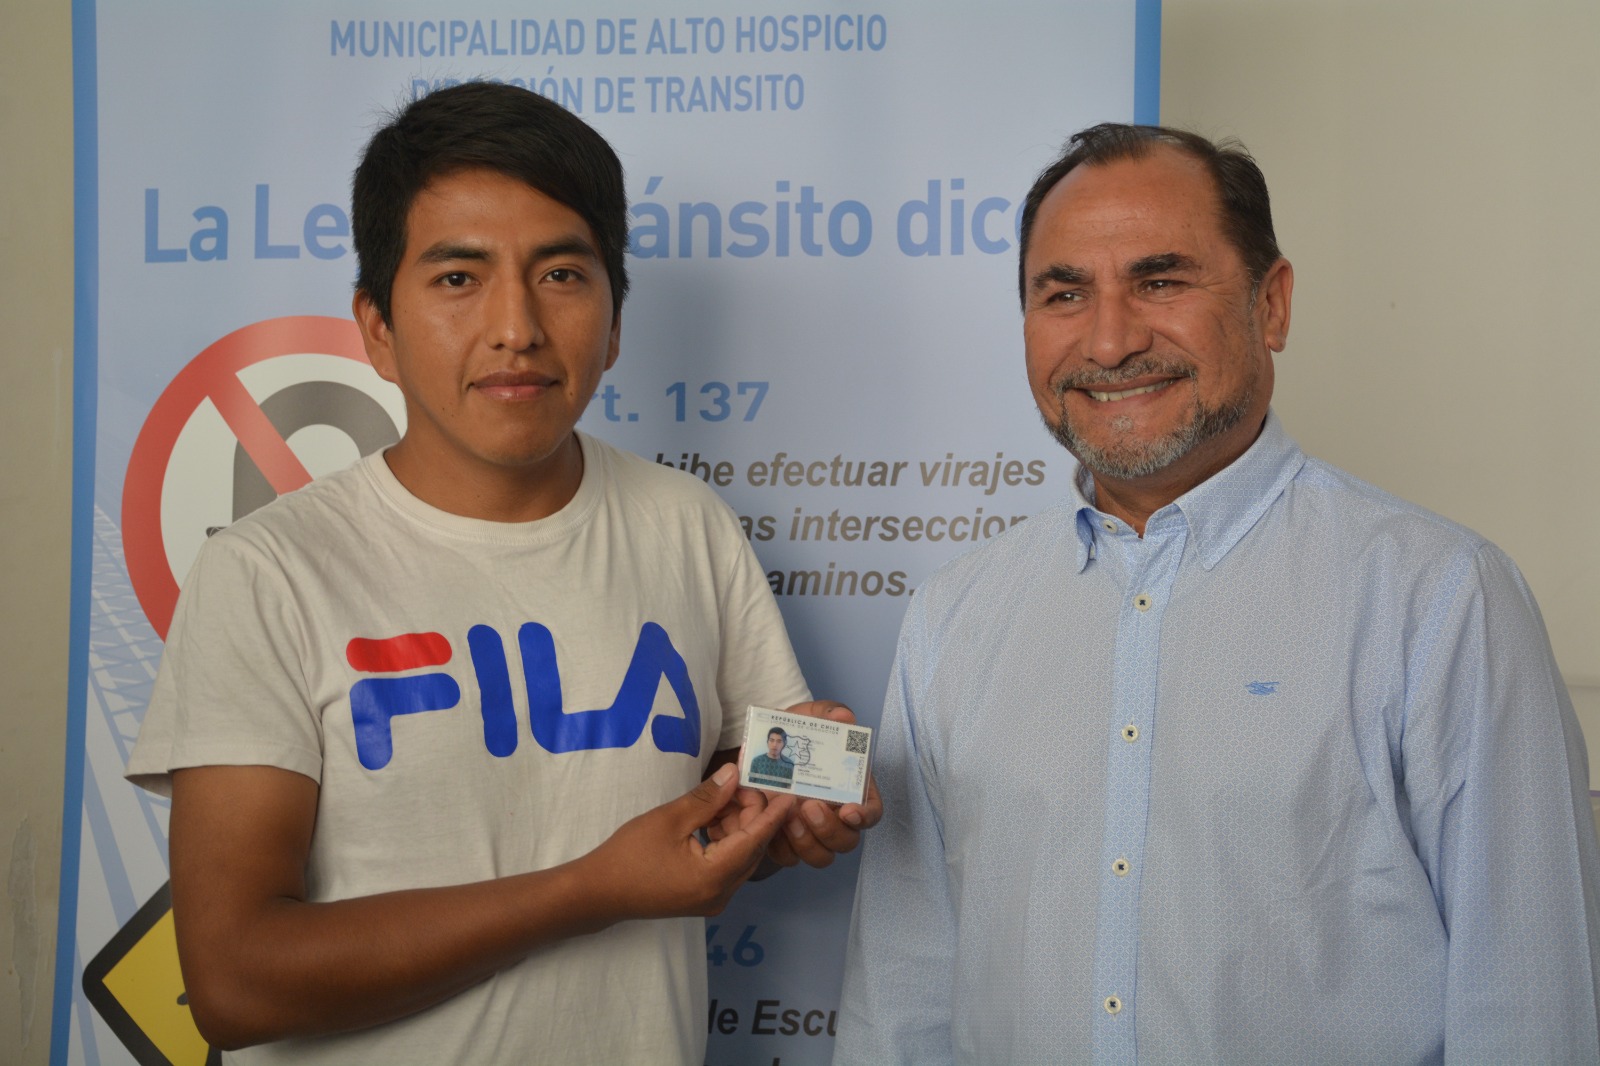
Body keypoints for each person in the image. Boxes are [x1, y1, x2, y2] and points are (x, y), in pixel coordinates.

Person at [126, 81, 878, 1065]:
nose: (516, 326)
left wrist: (782, 816)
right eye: (458, 277)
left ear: (615, 321)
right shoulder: (267, 573)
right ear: (377, 328)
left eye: (561, 274)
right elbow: (234, 981)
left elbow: (720, 817)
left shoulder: (685, 523)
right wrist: (588, 890)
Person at [834, 123, 1600, 1064]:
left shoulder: (1440, 600)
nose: (1110, 340)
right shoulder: (954, 617)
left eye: (1161, 282)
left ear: (1271, 305)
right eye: (1064, 294)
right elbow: (902, 998)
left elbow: (1530, 1006)